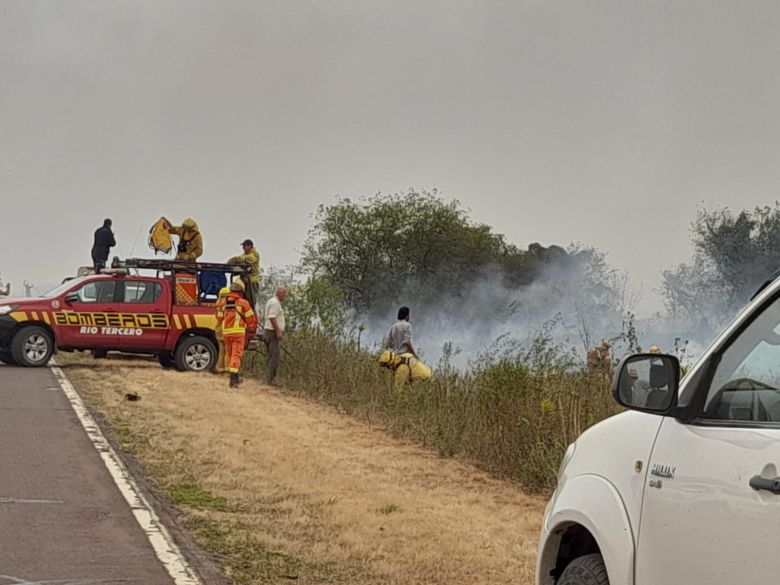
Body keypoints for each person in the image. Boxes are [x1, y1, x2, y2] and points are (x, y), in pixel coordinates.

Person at [217, 280, 257, 388]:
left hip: (226, 333)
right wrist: (249, 325)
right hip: (238, 333)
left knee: (231, 355)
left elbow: (219, 318)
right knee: (236, 355)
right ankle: (233, 381)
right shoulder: (243, 303)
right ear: (241, 291)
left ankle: (235, 378)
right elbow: (250, 319)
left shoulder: (223, 303)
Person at [379, 306, 432, 388]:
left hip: (394, 358)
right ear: (407, 315)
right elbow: (407, 342)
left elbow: (388, 343)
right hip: (405, 358)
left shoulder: (393, 326)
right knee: (416, 376)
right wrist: (415, 354)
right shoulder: (408, 326)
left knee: (397, 379)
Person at [263, 286, 287, 384]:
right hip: (272, 333)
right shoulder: (275, 303)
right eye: (284, 294)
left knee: (271, 355)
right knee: (274, 357)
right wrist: (278, 331)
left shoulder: (271, 301)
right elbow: (272, 317)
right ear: (280, 293)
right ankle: (271, 380)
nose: (285, 297)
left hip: (269, 331)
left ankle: (269, 378)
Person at [228, 239, 261, 310]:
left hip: (252, 281)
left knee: (250, 299)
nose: (243, 248)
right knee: (245, 298)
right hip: (245, 281)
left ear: (250, 246)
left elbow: (251, 259)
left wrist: (238, 259)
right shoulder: (244, 255)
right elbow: (241, 259)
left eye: (244, 246)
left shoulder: (254, 254)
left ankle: (251, 311)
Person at [213, 287, 231, 374]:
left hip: (218, 330)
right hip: (225, 330)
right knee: (228, 351)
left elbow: (218, 318)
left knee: (221, 351)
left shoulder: (218, 305)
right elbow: (223, 318)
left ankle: (220, 368)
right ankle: (227, 369)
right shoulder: (225, 306)